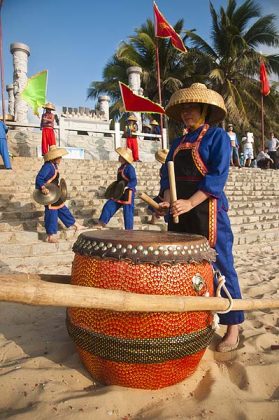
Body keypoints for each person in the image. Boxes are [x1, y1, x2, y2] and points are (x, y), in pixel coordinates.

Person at [158, 82, 244, 352]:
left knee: (221, 267)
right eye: (183, 109)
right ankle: (193, 318)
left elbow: (217, 177)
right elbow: (166, 176)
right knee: (184, 267)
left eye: (191, 108)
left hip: (208, 213)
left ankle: (233, 327)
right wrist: (165, 200)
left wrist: (189, 202)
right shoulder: (178, 142)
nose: (186, 113)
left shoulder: (218, 137)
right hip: (180, 214)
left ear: (204, 109)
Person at [35, 145, 84, 243]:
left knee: (62, 209)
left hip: (55, 192)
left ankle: (75, 225)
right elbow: (39, 178)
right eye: (59, 157)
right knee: (51, 213)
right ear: (54, 158)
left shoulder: (54, 165)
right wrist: (43, 187)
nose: (61, 159)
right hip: (49, 193)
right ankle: (50, 235)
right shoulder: (47, 166)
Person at [96, 147, 137, 230]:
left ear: (124, 157)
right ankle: (102, 222)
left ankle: (129, 230)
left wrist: (127, 187)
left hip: (127, 192)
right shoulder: (121, 168)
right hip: (119, 191)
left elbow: (134, 180)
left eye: (120, 156)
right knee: (110, 204)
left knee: (128, 211)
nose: (119, 157)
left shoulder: (130, 168)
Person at [148, 148, 169, 224]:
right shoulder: (163, 167)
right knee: (153, 205)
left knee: (166, 208)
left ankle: (165, 222)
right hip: (163, 189)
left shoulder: (166, 167)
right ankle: (154, 220)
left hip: (166, 191)